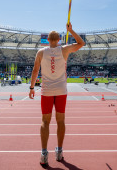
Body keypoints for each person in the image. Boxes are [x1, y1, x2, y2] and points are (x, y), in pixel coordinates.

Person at [29, 22, 85, 167]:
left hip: (46, 91)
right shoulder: (64, 49)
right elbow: (81, 43)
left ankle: (44, 154)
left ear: (47, 39)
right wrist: (71, 30)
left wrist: (31, 87)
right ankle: (59, 151)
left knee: (45, 122)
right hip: (61, 91)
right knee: (60, 121)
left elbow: (35, 71)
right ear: (59, 39)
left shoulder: (41, 52)